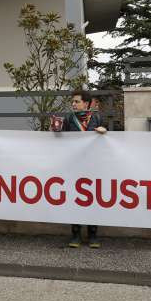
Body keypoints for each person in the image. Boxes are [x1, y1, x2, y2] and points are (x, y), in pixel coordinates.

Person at [61, 90, 108, 248]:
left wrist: (104, 132)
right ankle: (75, 235)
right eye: (73, 102)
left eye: (76, 101)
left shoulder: (98, 118)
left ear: (86, 103)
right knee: (76, 200)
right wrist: (54, 130)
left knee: (92, 200)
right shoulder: (68, 119)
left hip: (94, 167)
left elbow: (109, 141)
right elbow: (60, 141)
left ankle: (93, 235)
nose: (73, 104)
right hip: (74, 166)